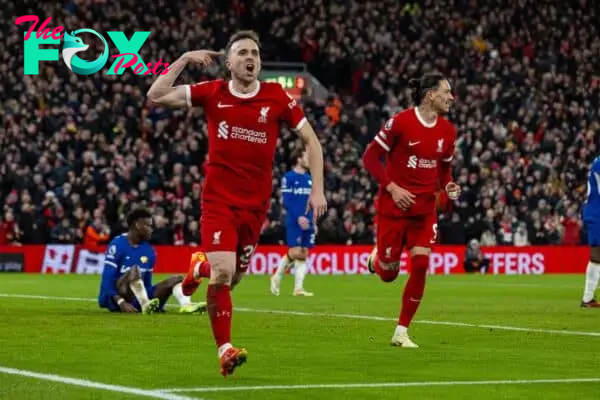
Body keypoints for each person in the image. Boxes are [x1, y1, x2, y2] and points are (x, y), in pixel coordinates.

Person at [146, 30, 327, 376]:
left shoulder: (277, 97)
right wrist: (184, 59)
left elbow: (313, 142)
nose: (250, 59)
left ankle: (197, 268)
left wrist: (318, 189)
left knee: (233, 277)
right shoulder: (212, 93)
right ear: (228, 63)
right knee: (225, 272)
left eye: (255, 54)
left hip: (255, 206)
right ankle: (225, 350)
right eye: (242, 52)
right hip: (218, 201)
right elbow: (155, 94)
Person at [361, 73, 460, 348]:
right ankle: (375, 260)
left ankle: (401, 331)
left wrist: (450, 186)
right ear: (430, 94)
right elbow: (369, 157)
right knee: (389, 274)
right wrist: (392, 187)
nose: (451, 97)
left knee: (420, 264)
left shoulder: (448, 132)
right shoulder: (401, 123)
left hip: (424, 210)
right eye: (447, 91)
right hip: (393, 208)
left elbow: (444, 169)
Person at [98, 208, 207, 314]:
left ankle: (186, 306)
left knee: (177, 278)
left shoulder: (150, 251)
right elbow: (107, 279)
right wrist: (120, 302)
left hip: (137, 301)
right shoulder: (117, 244)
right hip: (116, 299)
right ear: (137, 225)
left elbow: (147, 285)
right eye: (148, 226)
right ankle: (145, 304)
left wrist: (158, 297)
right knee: (134, 270)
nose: (152, 229)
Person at [270, 147, 315, 297]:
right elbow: (286, 201)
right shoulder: (288, 177)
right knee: (296, 251)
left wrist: (313, 220)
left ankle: (298, 288)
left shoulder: (309, 179)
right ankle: (277, 276)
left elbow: (312, 202)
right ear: (299, 158)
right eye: (306, 157)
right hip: (294, 220)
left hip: (308, 220)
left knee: (303, 253)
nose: (309, 160)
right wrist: (298, 217)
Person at [580, 156, 600, 308]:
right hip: (596, 212)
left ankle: (588, 298)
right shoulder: (599, 163)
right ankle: (587, 298)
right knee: (596, 255)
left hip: (594, 211)